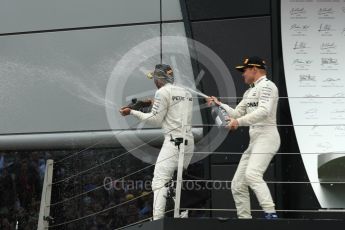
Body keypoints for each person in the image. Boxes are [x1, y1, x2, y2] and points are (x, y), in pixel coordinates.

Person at [208, 56, 280, 219]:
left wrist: (238, 122)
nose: (242, 74)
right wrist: (219, 104)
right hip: (255, 141)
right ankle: (244, 220)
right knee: (238, 184)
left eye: (244, 70)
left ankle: (271, 214)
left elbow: (263, 112)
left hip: (267, 138)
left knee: (252, 175)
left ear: (255, 69)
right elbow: (235, 114)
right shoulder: (249, 92)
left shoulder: (268, 86)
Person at [119, 64, 194, 220]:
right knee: (177, 180)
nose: (153, 81)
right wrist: (150, 103)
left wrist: (132, 111)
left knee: (159, 181)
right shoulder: (185, 92)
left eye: (154, 78)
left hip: (173, 142)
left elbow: (155, 119)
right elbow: (173, 108)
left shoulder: (162, 92)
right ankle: (181, 216)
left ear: (160, 78)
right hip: (189, 142)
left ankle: (158, 220)